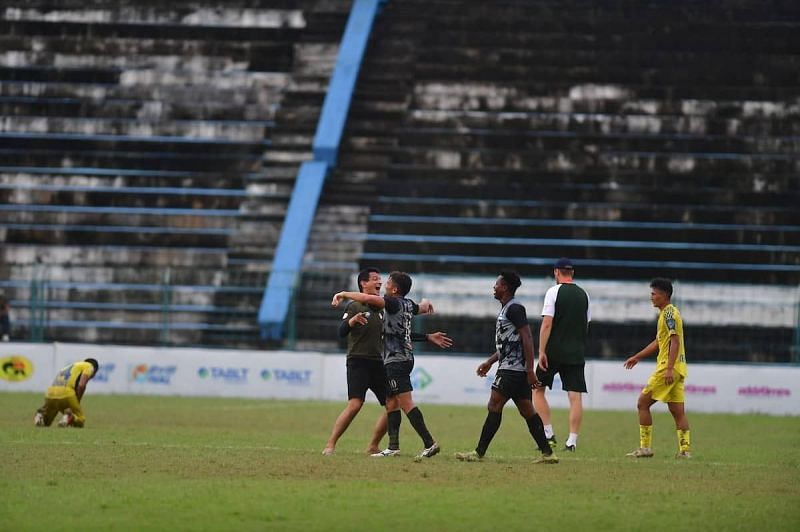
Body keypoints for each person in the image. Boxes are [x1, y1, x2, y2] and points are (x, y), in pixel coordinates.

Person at [332, 271, 451, 461]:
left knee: (405, 403)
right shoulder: (408, 304)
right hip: (401, 358)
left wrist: (343, 293)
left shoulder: (392, 302)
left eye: (387, 282)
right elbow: (423, 306)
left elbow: (366, 297)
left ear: (395, 289)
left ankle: (430, 443)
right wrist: (428, 330)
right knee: (391, 402)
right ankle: (392, 447)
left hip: (396, 360)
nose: (383, 283)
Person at [455, 271, 558, 464]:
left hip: (512, 370)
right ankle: (548, 453)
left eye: (497, 284)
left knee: (494, 405)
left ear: (506, 287)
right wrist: (490, 362)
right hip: (513, 368)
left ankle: (478, 452)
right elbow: (510, 343)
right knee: (527, 410)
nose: (494, 287)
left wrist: (529, 370)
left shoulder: (515, 308)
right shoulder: (507, 309)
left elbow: (527, 337)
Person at [322, 268, 389, 456]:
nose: (379, 282)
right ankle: (330, 444)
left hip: (378, 362)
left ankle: (373, 445)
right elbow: (341, 332)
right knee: (355, 404)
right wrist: (352, 322)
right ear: (363, 284)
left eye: (380, 279)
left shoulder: (382, 306)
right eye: (375, 279)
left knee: (393, 405)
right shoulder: (354, 306)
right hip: (358, 361)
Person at [624, 278, 691, 459]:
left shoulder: (669, 314)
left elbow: (675, 341)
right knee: (677, 411)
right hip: (679, 368)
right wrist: (638, 356)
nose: (651, 297)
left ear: (664, 295)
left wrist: (669, 368)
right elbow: (659, 342)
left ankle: (645, 448)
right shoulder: (666, 314)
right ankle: (685, 451)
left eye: (654, 294)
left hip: (669, 368)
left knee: (642, 403)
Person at [533, 257, 591, 452]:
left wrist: (541, 350)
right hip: (576, 352)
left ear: (556, 272)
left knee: (537, 390)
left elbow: (547, 323)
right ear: (572, 273)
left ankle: (548, 434)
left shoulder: (553, 292)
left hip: (553, 352)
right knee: (575, 397)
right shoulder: (584, 295)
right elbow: (586, 324)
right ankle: (572, 441)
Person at [34, 358, 99, 428]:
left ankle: (40, 415)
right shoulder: (90, 366)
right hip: (66, 393)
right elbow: (81, 385)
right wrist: (78, 400)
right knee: (80, 419)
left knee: (46, 423)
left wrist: (45, 406)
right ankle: (69, 416)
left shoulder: (70, 366)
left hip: (50, 393)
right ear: (95, 370)